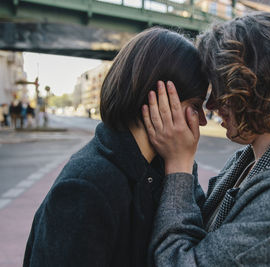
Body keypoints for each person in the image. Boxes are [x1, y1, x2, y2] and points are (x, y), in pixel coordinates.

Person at [143, 12, 270, 266]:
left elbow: (178, 261)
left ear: (256, 87)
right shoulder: (252, 159)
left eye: (222, 90)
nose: (212, 104)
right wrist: (179, 152)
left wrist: (179, 166)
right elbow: (206, 229)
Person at [23, 27, 208, 267]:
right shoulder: (88, 186)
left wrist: (181, 167)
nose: (202, 119)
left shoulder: (165, 166)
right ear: (157, 99)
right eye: (195, 105)